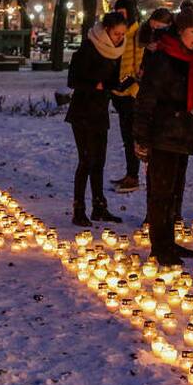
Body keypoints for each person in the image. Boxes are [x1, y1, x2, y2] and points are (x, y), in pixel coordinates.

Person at [134, 6, 193, 265]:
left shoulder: (187, 58)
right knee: (161, 192)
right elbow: (146, 99)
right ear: (180, 30)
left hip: (181, 133)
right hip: (163, 133)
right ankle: (160, 246)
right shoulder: (164, 57)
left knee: (174, 191)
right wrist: (142, 137)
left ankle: (169, 241)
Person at [66, 12, 127, 226]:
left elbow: (112, 80)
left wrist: (123, 83)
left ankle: (99, 207)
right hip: (82, 112)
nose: (120, 38)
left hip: (100, 111)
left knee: (99, 162)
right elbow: (72, 80)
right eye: (116, 33)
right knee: (86, 160)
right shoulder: (88, 47)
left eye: (122, 34)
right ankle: (79, 209)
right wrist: (95, 85)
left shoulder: (116, 51)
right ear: (106, 30)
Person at [110, 2, 171, 193]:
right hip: (120, 91)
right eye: (117, 13)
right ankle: (131, 173)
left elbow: (139, 66)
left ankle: (133, 175)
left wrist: (132, 84)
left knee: (133, 137)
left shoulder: (136, 34)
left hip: (132, 92)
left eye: (123, 13)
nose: (120, 16)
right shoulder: (125, 33)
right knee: (127, 137)